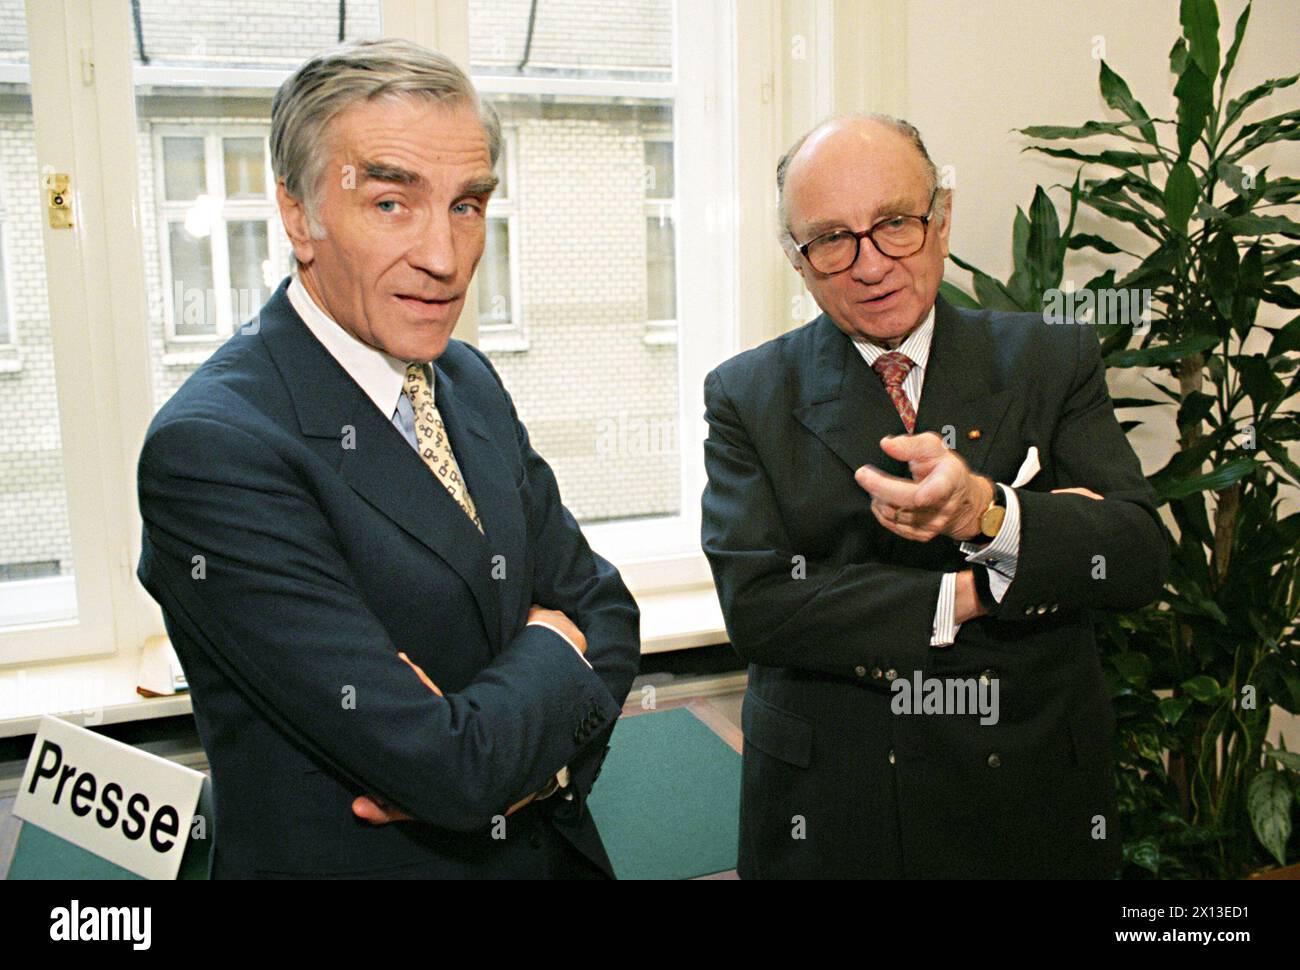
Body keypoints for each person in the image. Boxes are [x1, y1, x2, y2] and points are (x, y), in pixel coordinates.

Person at [137, 39, 640, 879]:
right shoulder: (214, 449)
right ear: (300, 216)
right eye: (391, 204)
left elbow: (607, 610)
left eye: (468, 205)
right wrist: (552, 653)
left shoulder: (466, 379)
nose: (445, 258)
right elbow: (449, 768)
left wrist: (504, 756)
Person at [700, 114, 1169, 878]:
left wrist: (989, 514)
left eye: (894, 225)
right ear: (798, 259)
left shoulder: (1050, 355)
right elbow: (760, 610)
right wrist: (985, 583)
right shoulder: (748, 394)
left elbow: (1136, 556)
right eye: (831, 238)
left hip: (1027, 790)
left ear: (940, 221)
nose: (870, 264)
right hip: (840, 804)